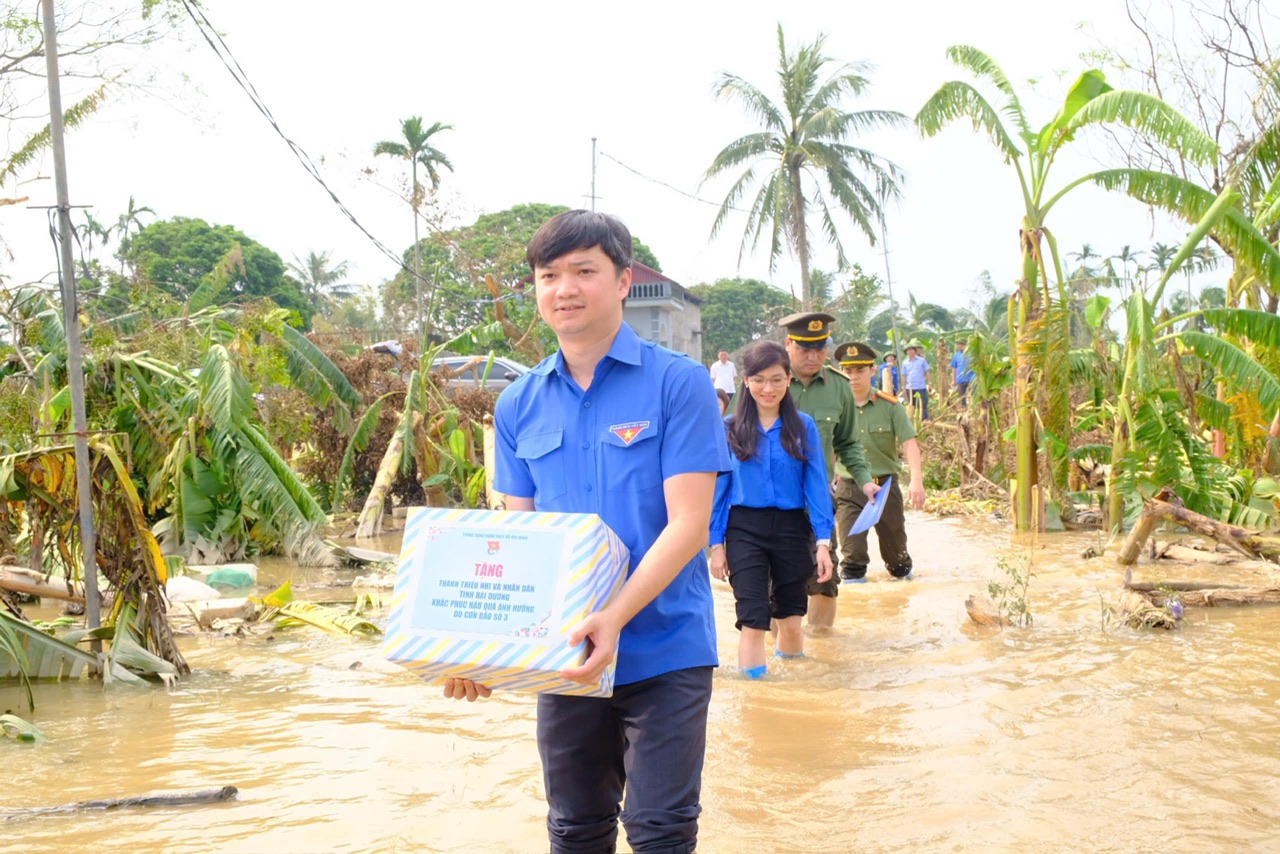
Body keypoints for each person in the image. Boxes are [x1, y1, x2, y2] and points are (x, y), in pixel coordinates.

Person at [445, 210, 730, 854]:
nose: (564, 289)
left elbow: (689, 524)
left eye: (584, 271)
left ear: (624, 280)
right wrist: (487, 654)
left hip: (666, 649)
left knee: (660, 831)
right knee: (575, 831)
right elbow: (520, 544)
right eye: (549, 275)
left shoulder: (678, 384)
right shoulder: (518, 403)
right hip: (566, 658)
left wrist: (614, 617)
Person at [708, 340, 834, 678]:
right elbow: (719, 491)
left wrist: (824, 542)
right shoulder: (730, 428)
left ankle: (792, 697)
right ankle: (755, 700)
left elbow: (817, 485)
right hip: (744, 529)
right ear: (746, 382)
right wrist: (716, 545)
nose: (769, 388)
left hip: (793, 529)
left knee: (791, 619)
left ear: (788, 380)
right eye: (760, 380)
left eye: (777, 379)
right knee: (752, 619)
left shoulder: (802, 426)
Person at [778, 311, 877, 629]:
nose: (813, 356)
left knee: (824, 578)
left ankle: (821, 652)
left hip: (816, 503)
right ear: (788, 345)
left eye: (820, 349)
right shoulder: (766, 381)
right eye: (805, 348)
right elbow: (734, 437)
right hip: (768, 503)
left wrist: (864, 482)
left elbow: (848, 443)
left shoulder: (839, 387)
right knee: (772, 586)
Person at [833, 341, 927, 582]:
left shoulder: (890, 406)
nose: (853, 377)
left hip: (885, 488)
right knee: (852, 558)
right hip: (850, 487)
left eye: (860, 371)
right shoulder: (835, 408)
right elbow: (827, 448)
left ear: (872, 371)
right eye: (848, 371)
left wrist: (916, 481)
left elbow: (909, 443)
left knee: (897, 560)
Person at [903, 338, 931, 421]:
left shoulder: (922, 360)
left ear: (915, 351)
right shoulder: (905, 363)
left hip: (920, 386)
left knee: (923, 405)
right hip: (910, 387)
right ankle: (913, 422)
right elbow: (904, 376)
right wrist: (903, 388)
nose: (910, 352)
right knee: (912, 405)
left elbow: (928, 371)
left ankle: (924, 421)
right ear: (906, 353)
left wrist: (930, 383)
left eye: (912, 350)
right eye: (908, 351)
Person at [951, 339, 975, 408]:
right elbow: (954, 368)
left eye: (961, 344)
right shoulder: (956, 355)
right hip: (960, 379)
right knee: (962, 399)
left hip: (972, 379)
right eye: (958, 344)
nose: (959, 346)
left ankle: (974, 411)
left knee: (974, 397)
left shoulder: (971, 354)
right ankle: (964, 413)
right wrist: (953, 380)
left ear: (965, 345)